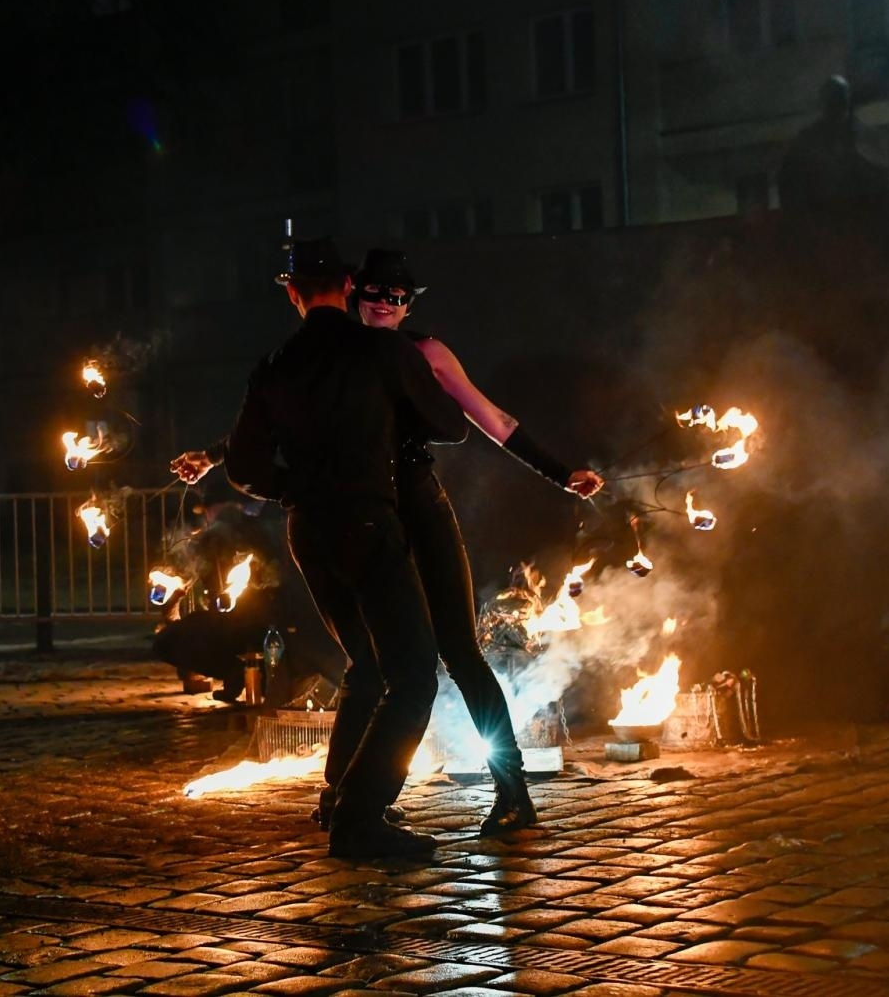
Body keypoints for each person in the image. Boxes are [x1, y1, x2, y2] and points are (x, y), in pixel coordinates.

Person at [173, 250, 605, 837]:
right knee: (370, 664)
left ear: (409, 304)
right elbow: (297, 413)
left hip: (416, 506)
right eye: (376, 294)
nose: (386, 304)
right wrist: (214, 452)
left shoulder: (421, 352)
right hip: (360, 510)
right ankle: (346, 797)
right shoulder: (345, 353)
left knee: (458, 651)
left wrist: (559, 473)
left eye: (399, 297)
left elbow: (487, 419)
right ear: (353, 293)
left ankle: (512, 793)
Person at [225, 236, 468, 858]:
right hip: (367, 522)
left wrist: (298, 487)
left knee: (366, 663)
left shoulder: (274, 365)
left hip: (308, 529)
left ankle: (338, 797)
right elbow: (450, 424)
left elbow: (244, 466)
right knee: (413, 675)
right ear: (351, 288)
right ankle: (361, 818)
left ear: (292, 292)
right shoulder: (379, 349)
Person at [776, 75, 889, 214]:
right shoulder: (806, 140)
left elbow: (882, 178)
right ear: (824, 103)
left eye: (840, 101)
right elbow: (788, 184)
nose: (837, 107)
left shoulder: (867, 137)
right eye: (833, 102)